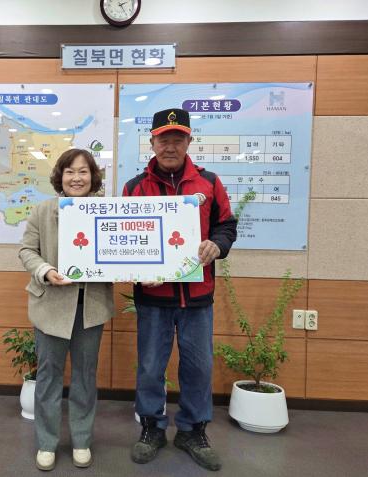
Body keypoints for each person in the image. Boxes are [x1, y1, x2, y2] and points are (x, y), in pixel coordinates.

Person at [122, 108, 237, 471]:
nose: (170, 146)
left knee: (199, 368)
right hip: (153, 298)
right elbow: (124, 240)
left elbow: (226, 226)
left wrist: (218, 245)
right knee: (150, 367)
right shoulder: (135, 188)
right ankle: (152, 428)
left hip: (197, 297)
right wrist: (136, 270)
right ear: (152, 142)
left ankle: (192, 430)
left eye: (178, 139)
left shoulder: (209, 182)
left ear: (189, 141)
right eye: (164, 139)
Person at [19, 148, 113, 471]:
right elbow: (27, 250)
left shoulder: (108, 211)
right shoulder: (43, 210)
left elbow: (120, 251)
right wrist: (45, 270)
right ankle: (46, 443)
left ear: (93, 177)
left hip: (91, 307)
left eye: (83, 171)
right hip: (51, 306)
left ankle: (81, 440)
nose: (76, 178)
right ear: (60, 177)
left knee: (85, 376)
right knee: (48, 376)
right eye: (70, 171)